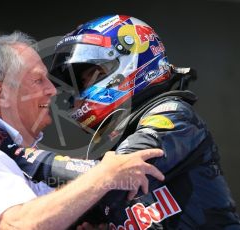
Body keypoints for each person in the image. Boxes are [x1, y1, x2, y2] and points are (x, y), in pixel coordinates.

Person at [0, 32, 165, 230]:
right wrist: (103, 176)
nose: (53, 90)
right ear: (1, 94)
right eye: (38, 80)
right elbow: (20, 225)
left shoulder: (7, 148)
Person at [49, 15, 240, 229]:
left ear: (130, 59)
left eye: (92, 76)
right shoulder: (115, 142)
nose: (83, 91)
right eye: (82, 84)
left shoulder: (173, 115)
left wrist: (29, 159)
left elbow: (112, 177)